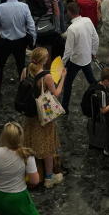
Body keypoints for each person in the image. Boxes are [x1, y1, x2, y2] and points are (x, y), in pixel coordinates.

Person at [20, 47, 65, 188]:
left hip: (29, 115)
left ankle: (30, 173)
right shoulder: (47, 76)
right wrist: (63, 77)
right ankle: (49, 177)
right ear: (45, 60)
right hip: (43, 117)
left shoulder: (25, 71)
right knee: (47, 147)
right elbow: (56, 93)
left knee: (29, 143)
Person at [0, 122, 42, 215]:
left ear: (4, 136)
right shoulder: (27, 155)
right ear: (21, 136)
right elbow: (35, 181)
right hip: (18, 199)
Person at [0, 0, 36, 102]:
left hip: (5, 41)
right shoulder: (24, 6)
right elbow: (31, 25)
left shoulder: (0, 7)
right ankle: (24, 93)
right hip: (20, 41)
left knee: (0, 67)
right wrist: (33, 40)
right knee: (21, 67)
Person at [60, 1, 99, 111]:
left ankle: (64, 107)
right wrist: (93, 52)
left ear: (69, 12)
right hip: (86, 58)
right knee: (92, 81)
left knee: (67, 84)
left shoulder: (72, 28)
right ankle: (101, 98)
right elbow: (95, 38)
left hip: (75, 60)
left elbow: (68, 51)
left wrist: (62, 64)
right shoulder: (87, 20)